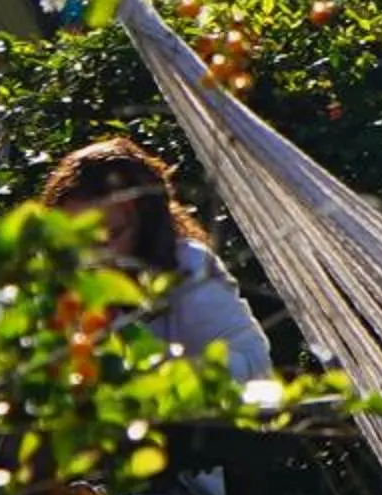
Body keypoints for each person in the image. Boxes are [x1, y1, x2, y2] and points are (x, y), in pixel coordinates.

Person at [37, 138, 274, 387]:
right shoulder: (53, 288)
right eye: (82, 240)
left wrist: (159, 373)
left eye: (115, 234)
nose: (98, 255)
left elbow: (253, 364)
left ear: (146, 224)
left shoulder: (187, 268)